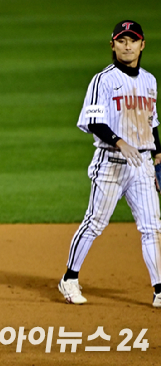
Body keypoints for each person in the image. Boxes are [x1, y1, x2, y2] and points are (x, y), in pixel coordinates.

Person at [58, 20, 161, 308]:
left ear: (142, 45)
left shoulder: (150, 81)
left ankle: (160, 289)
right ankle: (69, 278)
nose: (127, 46)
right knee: (95, 223)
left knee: (152, 227)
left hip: (142, 163)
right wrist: (119, 141)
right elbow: (92, 120)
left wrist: (159, 155)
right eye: (121, 40)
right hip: (111, 162)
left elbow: (152, 122)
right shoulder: (102, 80)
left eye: (133, 40)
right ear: (112, 44)